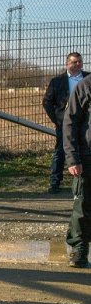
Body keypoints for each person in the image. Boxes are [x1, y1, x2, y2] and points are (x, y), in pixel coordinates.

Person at [44, 53, 87, 194]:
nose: (78, 64)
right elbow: (47, 102)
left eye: (80, 61)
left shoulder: (88, 78)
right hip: (65, 123)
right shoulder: (57, 81)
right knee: (60, 151)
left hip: (85, 124)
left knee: (86, 151)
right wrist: (57, 120)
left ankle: (84, 181)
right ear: (67, 64)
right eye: (75, 62)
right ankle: (55, 182)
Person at [63, 75, 91, 268]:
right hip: (88, 157)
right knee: (83, 205)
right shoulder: (86, 86)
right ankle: (79, 248)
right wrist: (73, 158)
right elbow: (70, 122)